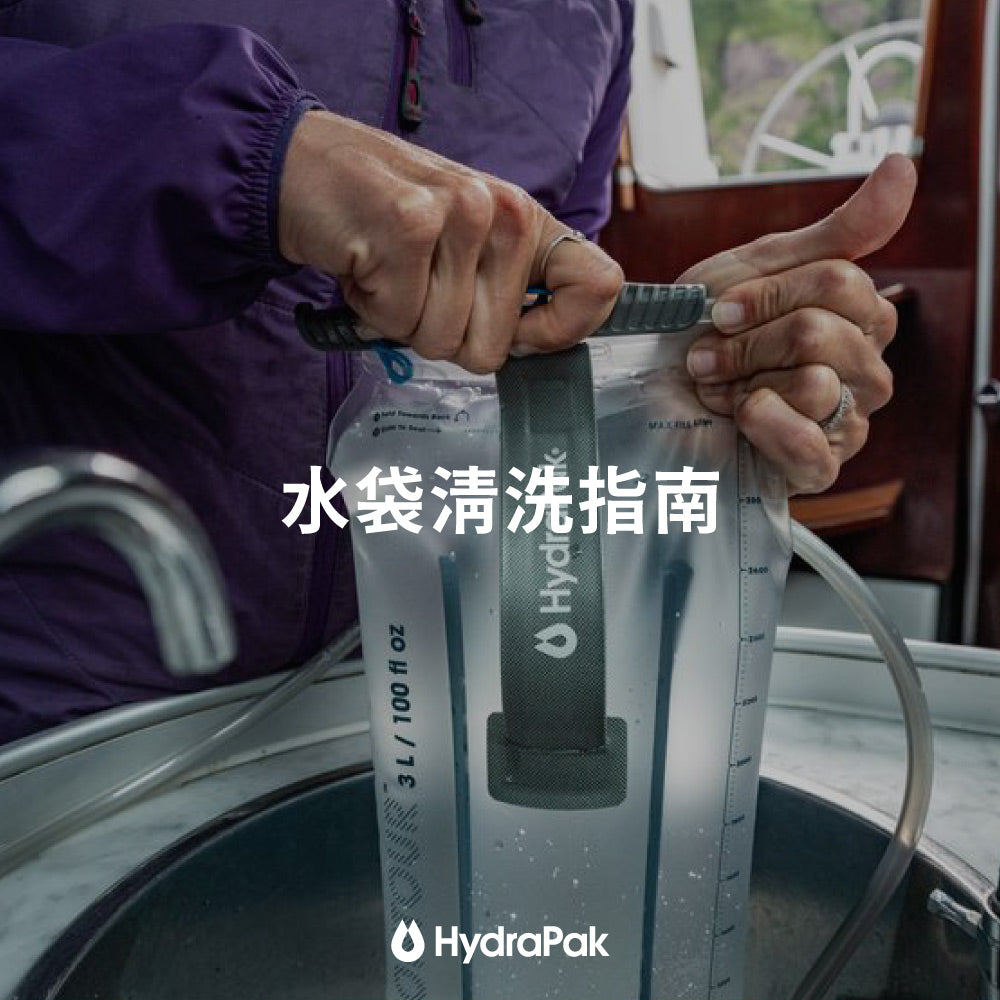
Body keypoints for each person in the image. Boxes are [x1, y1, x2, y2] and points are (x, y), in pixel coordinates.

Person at [0, 2, 915, 746]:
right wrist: (246, 160)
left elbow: (525, 331)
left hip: (425, 711)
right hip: (66, 711)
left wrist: (666, 379)